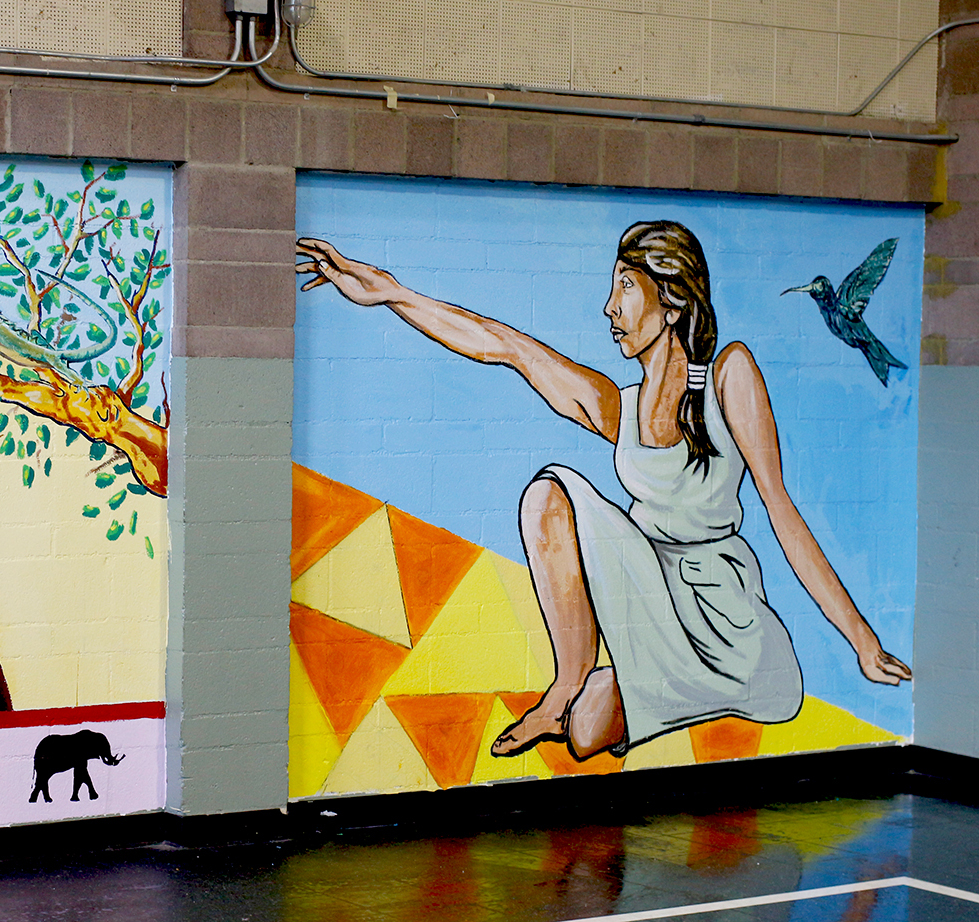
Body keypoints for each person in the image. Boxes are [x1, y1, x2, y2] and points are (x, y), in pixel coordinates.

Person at [295, 221, 911, 762]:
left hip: (725, 619)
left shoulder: (730, 375)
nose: (609, 308)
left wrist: (863, 641)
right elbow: (506, 347)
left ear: (672, 303)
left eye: (625, 287)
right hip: (651, 592)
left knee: (590, 731)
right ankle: (566, 686)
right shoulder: (619, 407)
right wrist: (391, 293)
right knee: (548, 499)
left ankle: (679, 688)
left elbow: (781, 510)